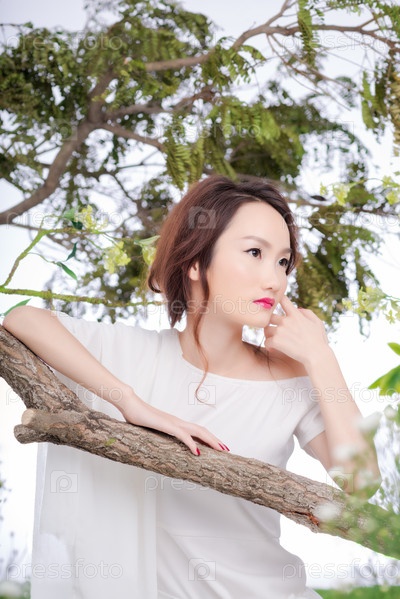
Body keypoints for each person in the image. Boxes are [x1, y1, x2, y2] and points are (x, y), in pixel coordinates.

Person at [3, 175, 381, 599]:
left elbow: (362, 482)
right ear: (196, 262)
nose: (275, 280)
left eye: (282, 261)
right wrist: (132, 404)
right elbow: (21, 319)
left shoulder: (290, 377)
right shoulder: (133, 353)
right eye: (255, 252)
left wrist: (321, 358)